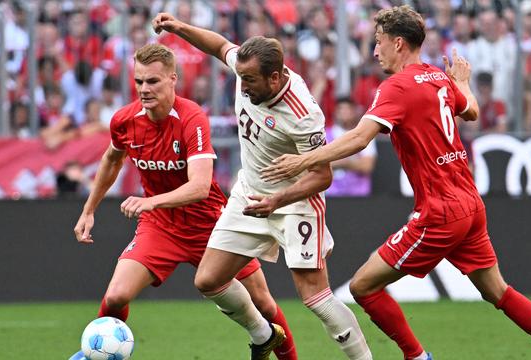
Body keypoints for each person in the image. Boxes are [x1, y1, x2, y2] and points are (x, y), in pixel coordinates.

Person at [261, 6, 531, 360]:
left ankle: (417, 357)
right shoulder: (436, 76)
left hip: (441, 211)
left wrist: (303, 159)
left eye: (379, 41)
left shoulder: (396, 87)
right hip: (470, 204)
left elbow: (358, 140)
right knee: (498, 292)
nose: (374, 50)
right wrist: (461, 82)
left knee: (363, 287)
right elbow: (472, 110)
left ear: (398, 43)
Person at [152, 13, 372, 360]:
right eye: (240, 76)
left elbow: (322, 176)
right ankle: (263, 334)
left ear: (275, 77)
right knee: (208, 280)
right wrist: (178, 28)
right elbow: (219, 45)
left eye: (250, 80)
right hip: (250, 194)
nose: (242, 85)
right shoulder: (248, 70)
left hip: (297, 202)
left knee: (315, 298)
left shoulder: (303, 114)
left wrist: (278, 199)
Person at [69, 44, 296, 360]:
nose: (144, 89)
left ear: (172, 79)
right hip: (161, 226)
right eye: (139, 82)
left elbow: (200, 187)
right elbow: (111, 159)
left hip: (211, 224)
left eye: (153, 81)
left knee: (264, 302)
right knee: (117, 296)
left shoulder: (192, 118)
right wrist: (88, 209)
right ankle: (95, 356)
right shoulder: (124, 120)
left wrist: (151, 202)